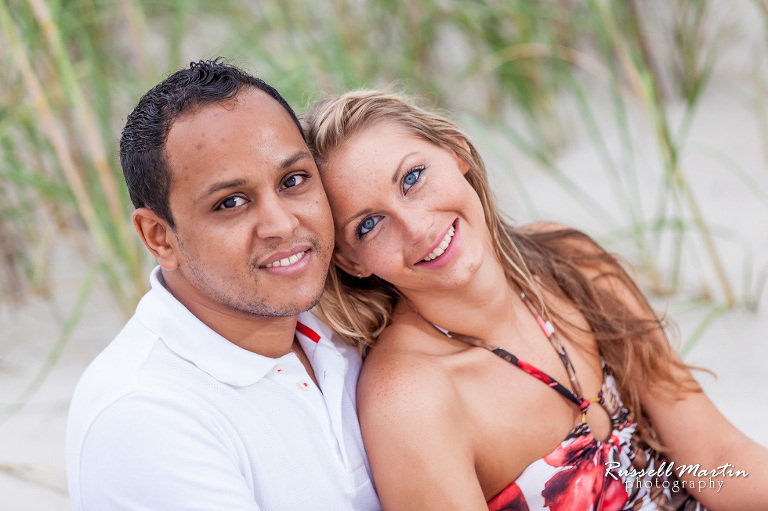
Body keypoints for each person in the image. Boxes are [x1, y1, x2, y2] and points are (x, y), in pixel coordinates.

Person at [302, 90, 768, 510]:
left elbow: (715, 458)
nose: (416, 225)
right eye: (369, 224)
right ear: (350, 261)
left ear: (456, 150)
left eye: (413, 177)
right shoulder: (411, 402)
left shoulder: (570, 263)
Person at [66, 60, 380, 510]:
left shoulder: (347, 311)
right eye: (231, 202)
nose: (281, 223)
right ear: (160, 237)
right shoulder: (145, 415)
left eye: (293, 180)